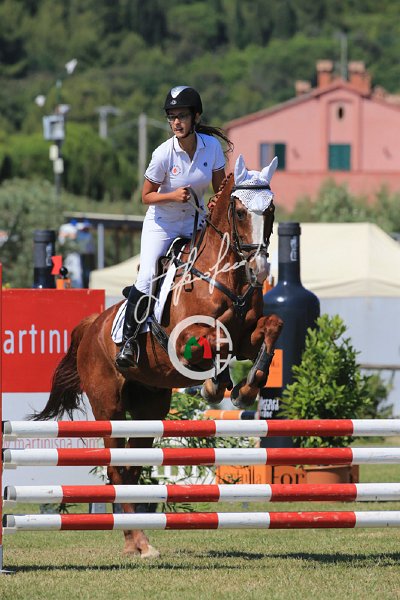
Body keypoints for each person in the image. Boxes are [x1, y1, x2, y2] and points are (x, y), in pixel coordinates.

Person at [116, 85, 233, 368]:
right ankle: (129, 342)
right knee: (147, 277)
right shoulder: (163, 154)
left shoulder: (211, 148)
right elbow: (145, 196)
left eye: (182, 116)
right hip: (163, 224)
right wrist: (171, 195)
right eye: (171, 117)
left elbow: (220, 191)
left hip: (196, 222)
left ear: (196, 117)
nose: (176, 122)